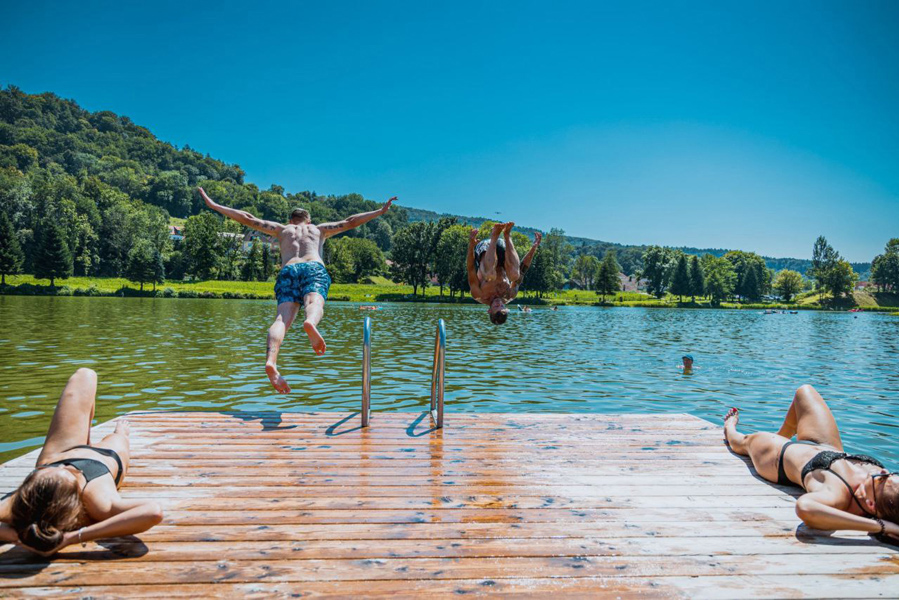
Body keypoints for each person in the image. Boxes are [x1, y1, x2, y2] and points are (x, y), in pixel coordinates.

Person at [199, 187, 394, 393]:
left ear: (291, 221)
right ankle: (310, 322)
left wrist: (214, 205)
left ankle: (271, 361)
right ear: (308, 221)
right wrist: (379, 211)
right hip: (313, 267)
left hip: (289, 269)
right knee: (314, 302)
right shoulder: (318, 229)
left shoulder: (281, 230)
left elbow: (248, 218)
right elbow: (350, 221)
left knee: (281, 320)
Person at [0, 368, 163, 556]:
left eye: (43, 472)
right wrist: (72, 538)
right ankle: (119, 433)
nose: (67, 466)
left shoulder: (16, 506)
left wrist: (17, 536)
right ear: (74, 500)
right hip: (103, 460)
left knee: (85, 375)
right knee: (119, 436)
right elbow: (153, 512)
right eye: (69, 473)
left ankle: (81, 441)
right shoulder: (98, 502)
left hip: (58, 452)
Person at [723, 385, 899, 541]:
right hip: (827, 446)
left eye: (882, 479)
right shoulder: (882, 488)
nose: (884, 472)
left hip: (779, 457)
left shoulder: (837, 494)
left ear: (870, 504)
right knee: (804, 392)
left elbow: (805, 507)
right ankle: (781, 435)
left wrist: (882, 527)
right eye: (891, 474)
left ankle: (730, 427)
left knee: (740, 442)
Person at [467, 222, 542, 324]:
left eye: (496, 306)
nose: (499, 303)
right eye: (501, 306)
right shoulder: (510, 294)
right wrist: (534, 248)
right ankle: (507, 234)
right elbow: (522, 270)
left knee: (490, 276)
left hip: (485, 249)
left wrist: (471, 245)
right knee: (515, 275)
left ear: (489, 310)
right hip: (503, 251)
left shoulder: (479, 295)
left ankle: (494, 235)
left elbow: (470, 268)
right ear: (506, 308)